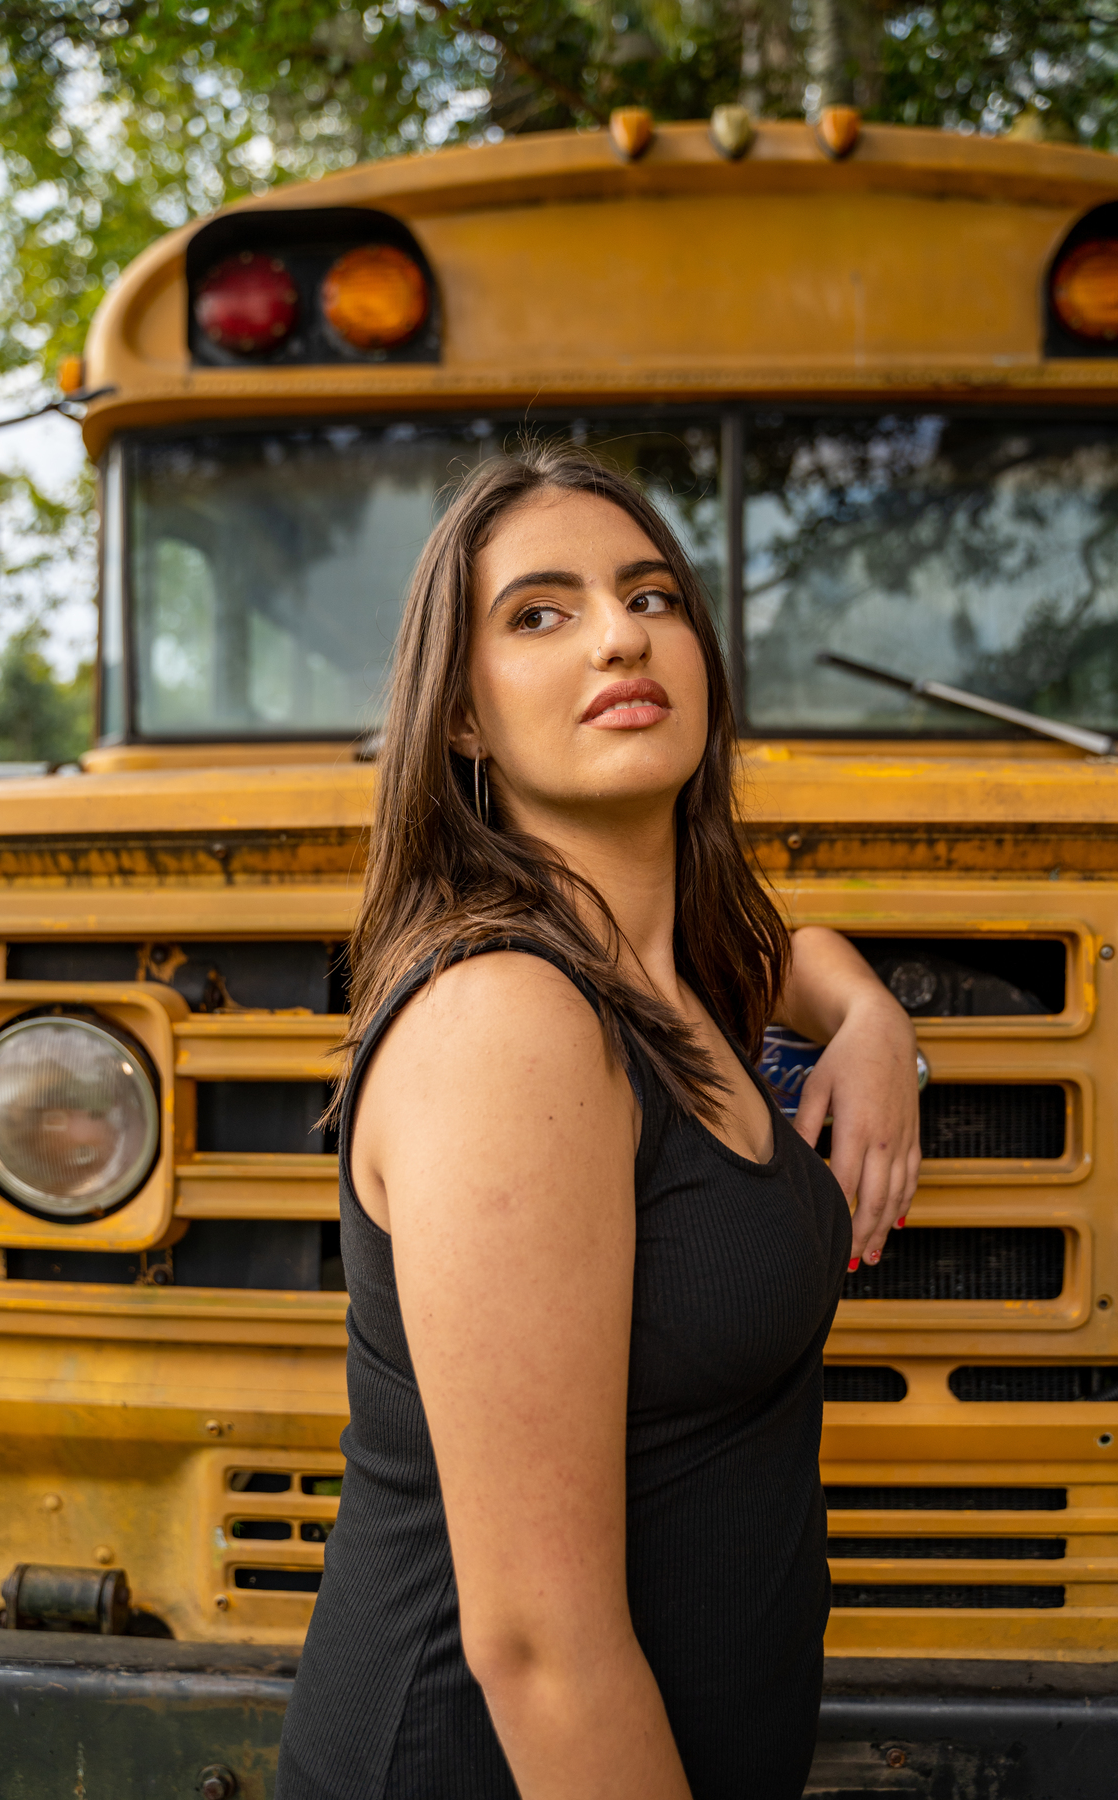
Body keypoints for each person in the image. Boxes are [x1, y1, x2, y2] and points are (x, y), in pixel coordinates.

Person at [277, 445, 920, 1800]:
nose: (622, 632)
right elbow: (534, 1644)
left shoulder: (674, 975)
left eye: (653, 596)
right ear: (460, 716)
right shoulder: (510, 1024)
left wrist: (869, 1018)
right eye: (541, 612)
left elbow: (781, 946)